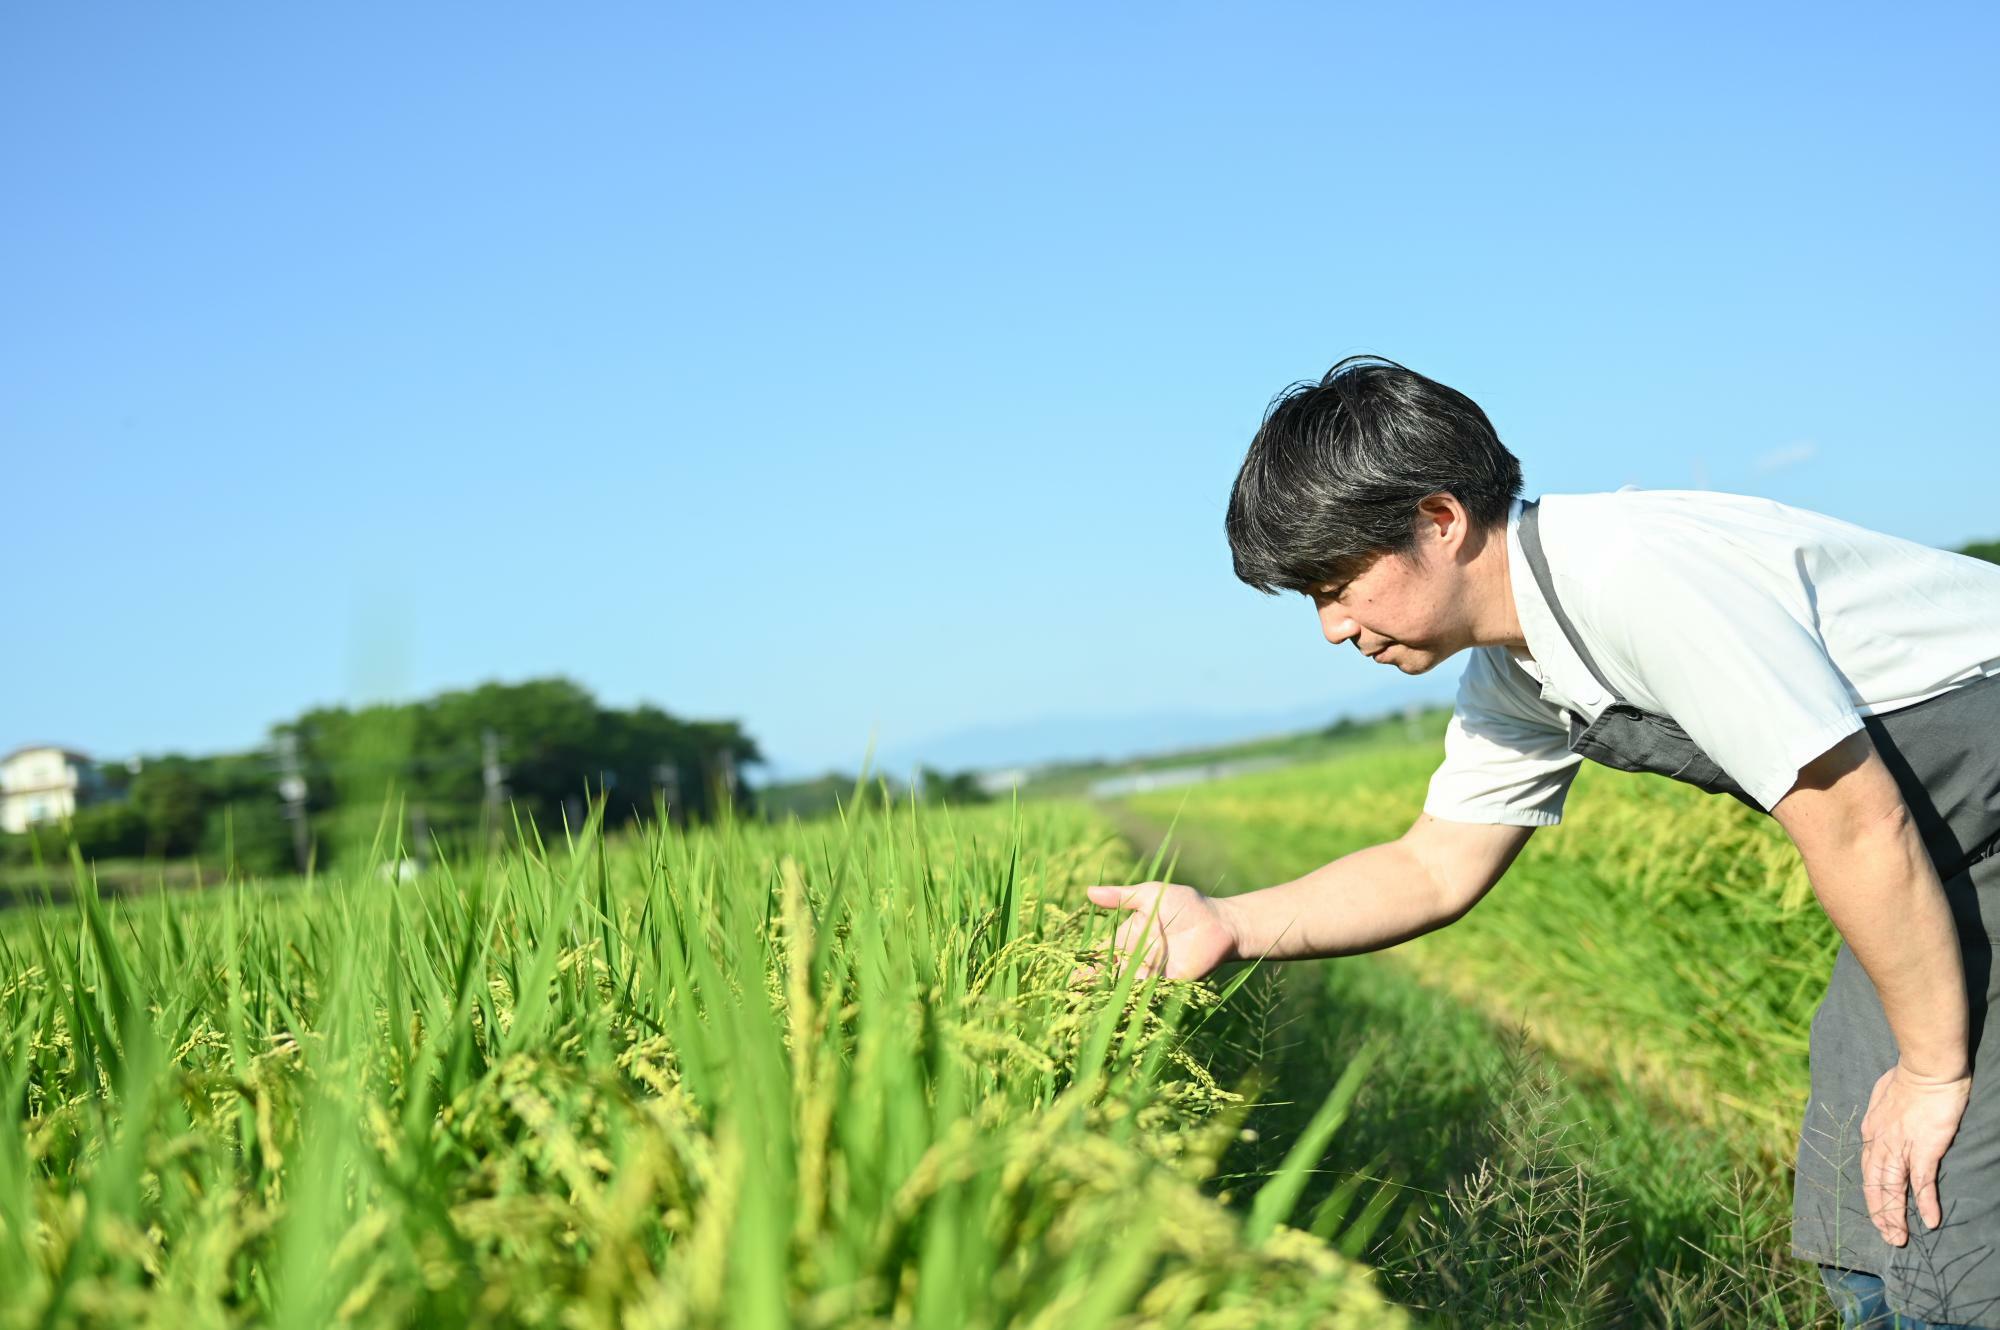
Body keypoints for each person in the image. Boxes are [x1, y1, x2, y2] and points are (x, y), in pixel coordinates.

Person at [1073, 355, 2000, 1328]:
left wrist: (1934, 1071)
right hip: (1939, 861)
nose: (1331, 629)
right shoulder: (1519, 670)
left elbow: (1855, 821)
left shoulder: (1635, 576)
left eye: (1336, 585)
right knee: (1862, 1218)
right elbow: (1430, 864)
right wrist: (1223, 920)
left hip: (1956, 835)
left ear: (1438, 520)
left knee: (1951, 1242)